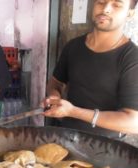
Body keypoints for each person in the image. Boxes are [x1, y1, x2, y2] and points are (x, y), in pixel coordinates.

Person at [41, 0, 138, 146]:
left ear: (130, 13)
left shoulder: (131, 58)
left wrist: (73, 111)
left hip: (106, 148)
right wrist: (54, 96)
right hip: (65, 139)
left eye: (117, 4)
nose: (105, 9)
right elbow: (55, 82)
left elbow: (133, 122)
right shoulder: (73, 46)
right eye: (101, 2)